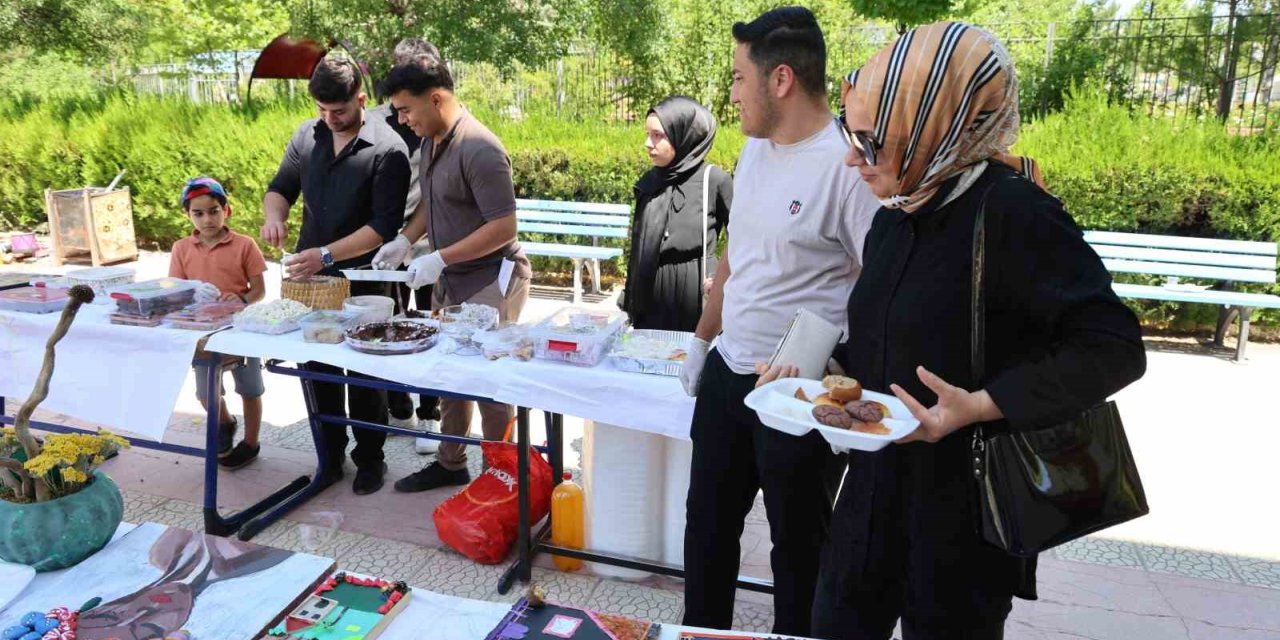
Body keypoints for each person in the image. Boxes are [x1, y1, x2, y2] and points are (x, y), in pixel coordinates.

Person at [780, 22, 1147, 639]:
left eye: (871, 141)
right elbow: (887, 334)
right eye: (851, 136)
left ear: (937, 126)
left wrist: (979, 405)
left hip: (964, 509)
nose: (851, 159)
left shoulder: (1014, 213)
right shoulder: (896, 213)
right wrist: (826, 372)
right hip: (871, 494)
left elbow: (1113, 347)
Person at [677, 7, 881, 636]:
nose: (732, 93)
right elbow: (735, 256)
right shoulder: (757, 151)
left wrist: (839, 370)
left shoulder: (847, 170)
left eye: (739, 77)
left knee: (799, 547)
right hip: (730, 373)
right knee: (706, 527)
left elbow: (879, 289)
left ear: (781, 79)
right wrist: (702, 340)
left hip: (797, 390)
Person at [375, 48, 532, 493]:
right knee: (450, 374)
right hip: (453, 278)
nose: (402, 119)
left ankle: (503, 473)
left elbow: (503, 226)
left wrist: (440, 257)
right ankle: (450, 462)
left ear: (437, 99)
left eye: (406, 109)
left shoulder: (479, 148)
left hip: (491, 278)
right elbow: (432, 200)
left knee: (486, 378)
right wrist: (407, 239)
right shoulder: (431, 141)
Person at [262, 57, 411, 495]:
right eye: (322, 111)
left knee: (364, 373)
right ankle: (328, 457)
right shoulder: (306, 135)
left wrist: (326, 255)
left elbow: (383, 228)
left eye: (339, 111)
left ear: (361, 100)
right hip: (311, 279)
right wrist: (275, 217)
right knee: (317, 367)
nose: (330, 119)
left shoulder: (388, 149)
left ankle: (370, 460)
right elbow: (280, 188)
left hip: (363, 278)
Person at [372, 37, 445, 455]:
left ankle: (429, 415)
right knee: (391, 324)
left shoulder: (441, 119)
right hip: (388, 241)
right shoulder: (378, 122)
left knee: (430, 325)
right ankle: (398, 405)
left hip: (432, 244)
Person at [169, 177, 267, 469]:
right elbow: (175, 289)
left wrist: (240, 299)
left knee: (250, 390)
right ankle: (224, 422)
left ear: (227, 210)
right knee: (205, 393)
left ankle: (251, 443)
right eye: (198, 213)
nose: (207, 219)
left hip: (241, 330)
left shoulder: (245, 245)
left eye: (213, 210)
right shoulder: (181, 248)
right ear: (188, 215)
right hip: (202, 334)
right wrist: (192, 293)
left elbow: (259, 290)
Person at [621, 96, 733, 332]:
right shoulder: (650, 182)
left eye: (658, 135)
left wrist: (724, 279)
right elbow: (639, 247)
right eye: (648, 134)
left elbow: (744, 239)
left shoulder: (713, 180)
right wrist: (630, 296)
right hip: (652, 294)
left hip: (696, 293)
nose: (647, 143)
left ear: (683, 135)